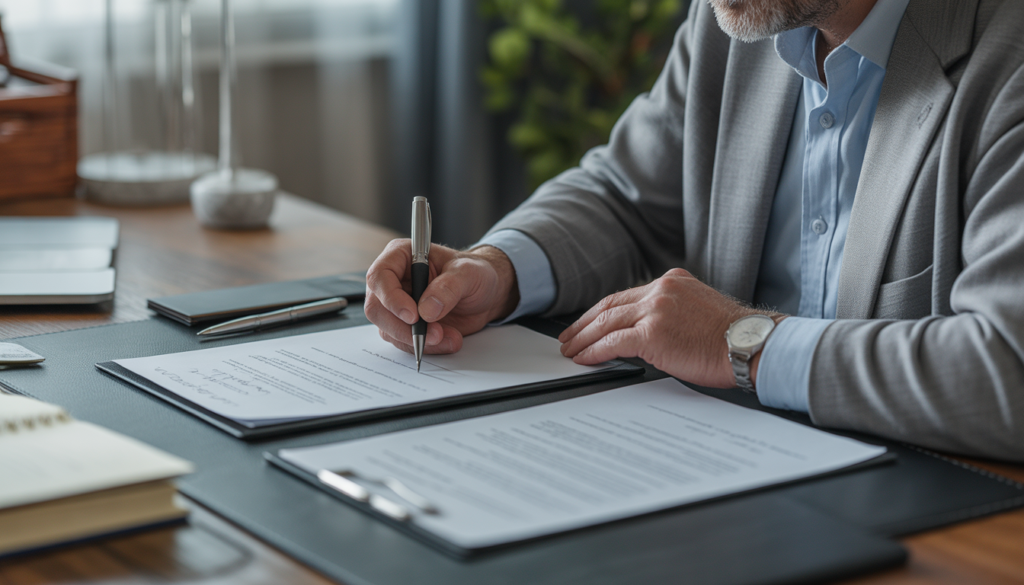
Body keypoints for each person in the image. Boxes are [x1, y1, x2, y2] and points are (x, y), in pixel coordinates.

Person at [365, 0, 1024, 461]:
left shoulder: (1008, 53)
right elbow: (625, 197)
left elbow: (1007, 367)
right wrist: (497, 268)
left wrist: (744, 344)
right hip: (718, 462)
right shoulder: (737, 21)